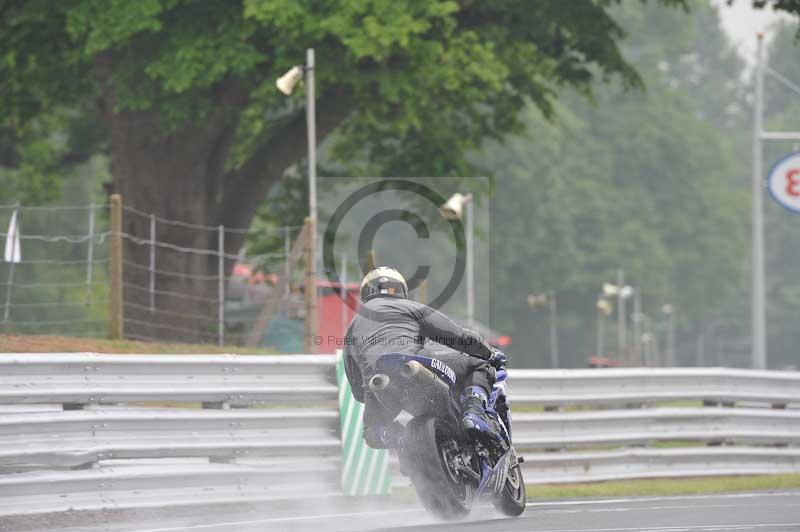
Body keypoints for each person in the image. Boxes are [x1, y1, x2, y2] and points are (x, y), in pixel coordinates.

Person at [343, 266, 507, 451]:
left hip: (377, 382)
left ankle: (402, 441)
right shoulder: (411, 307)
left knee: (372, 431)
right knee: (479, 366)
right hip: (413, 361)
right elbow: (457, 337)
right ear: (401, 290)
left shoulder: (353, 326)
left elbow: (356, 389)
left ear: (366, 292)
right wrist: (488, 353)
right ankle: (474, 413)